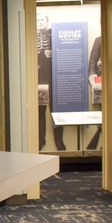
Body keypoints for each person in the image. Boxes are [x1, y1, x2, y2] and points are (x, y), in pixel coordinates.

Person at [36, 13, 65, 151]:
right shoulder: (31, 35)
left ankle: (59, 140)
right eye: (38, 20)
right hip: (38, 78)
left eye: (42, 19)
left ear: (47, 22)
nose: (40, 22)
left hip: (53, 77)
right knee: (40, 110)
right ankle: (40, 140)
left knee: (56, 109)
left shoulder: (54, 34)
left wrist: (53, 54)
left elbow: (63, 52)